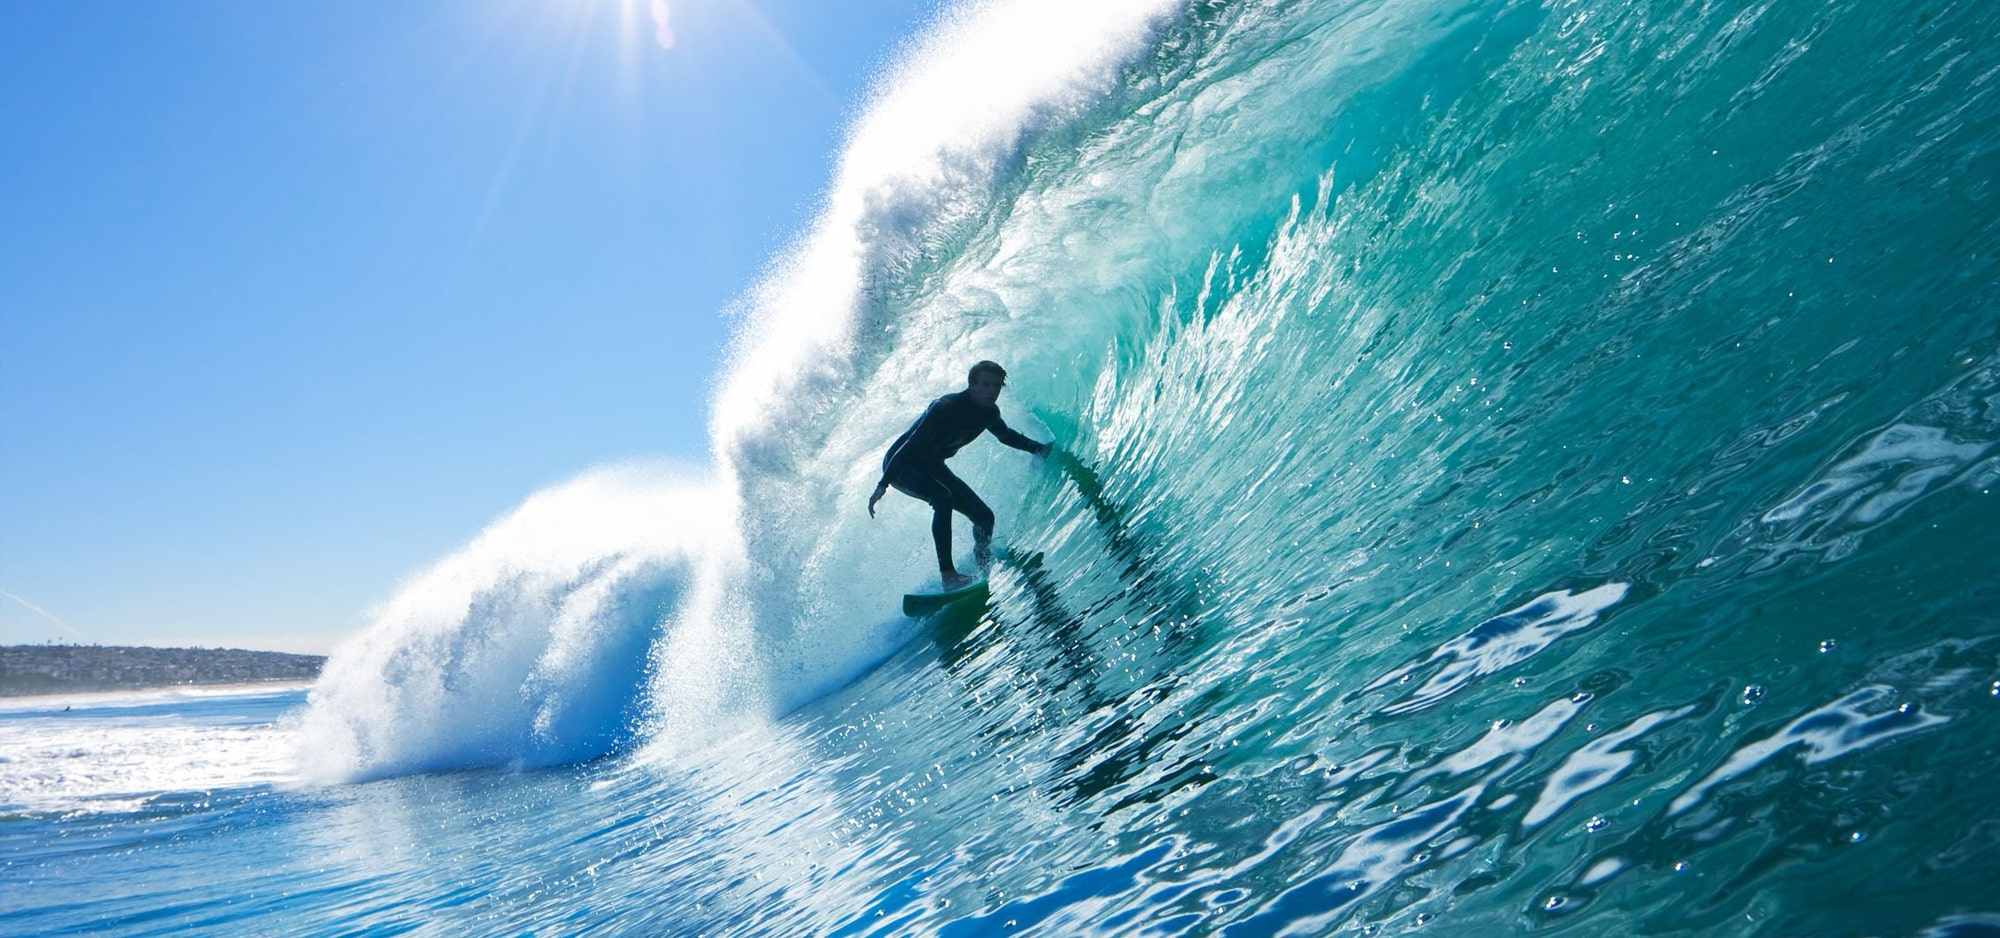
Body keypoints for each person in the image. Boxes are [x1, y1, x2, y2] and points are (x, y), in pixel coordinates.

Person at [868, 360, 1052, 589]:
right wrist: (883, 484)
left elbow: (1005, 436)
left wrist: (1038, 448)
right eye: (985, 384)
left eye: (996, 386)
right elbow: (912, 444)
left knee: (985, 517)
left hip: (932, 465)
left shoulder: (989, 413)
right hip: (902, 464)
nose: (992, 391)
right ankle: (949, 576)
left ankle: (982, 558)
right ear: (972, 385)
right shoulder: (945, 407)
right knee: (942, 498)